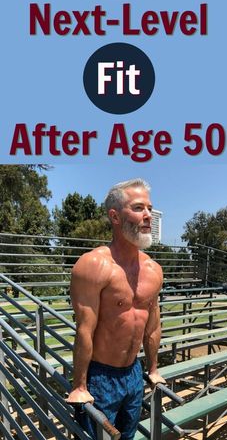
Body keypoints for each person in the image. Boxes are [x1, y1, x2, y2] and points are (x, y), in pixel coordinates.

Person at [66, 178, 165, 439]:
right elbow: (84, 330)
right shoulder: (93, 266)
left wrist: (153, 368)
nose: (148, 216)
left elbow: (153, 324)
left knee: (128, 436)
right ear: (115, 216)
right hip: (101, 376)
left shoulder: (154, 270)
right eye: (138, 208)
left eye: (149, 208)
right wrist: (79, 385)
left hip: (133, 373)